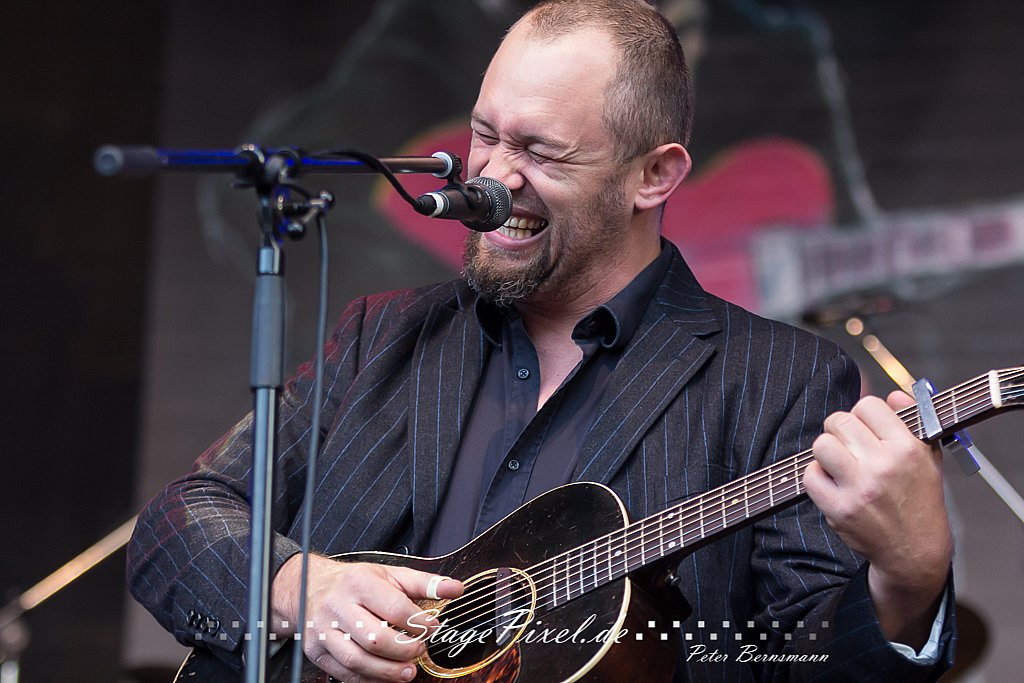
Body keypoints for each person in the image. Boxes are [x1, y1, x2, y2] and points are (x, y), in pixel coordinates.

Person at [127, 1, 955, 681]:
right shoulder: (381, 334)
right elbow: (175, 522)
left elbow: (801, 660)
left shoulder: (782, 379)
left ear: (654, 175)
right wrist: (295, 587)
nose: (492, 177)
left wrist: (908, 581)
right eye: (486, 134)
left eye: (540, 151)